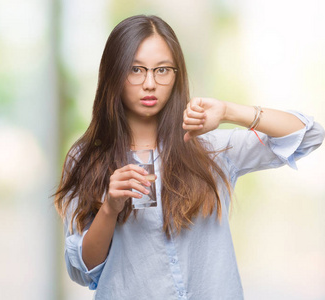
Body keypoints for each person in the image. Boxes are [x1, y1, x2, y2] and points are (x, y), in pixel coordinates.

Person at [53, 15, 324, 299]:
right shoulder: (86, 158)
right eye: (135, 69)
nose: (149, 83)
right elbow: (82, 272)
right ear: (114, 73)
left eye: (162, 70)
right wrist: (109, 208)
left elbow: (309, 135)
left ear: (176, 75)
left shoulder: (208, 148)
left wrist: (229, 112)